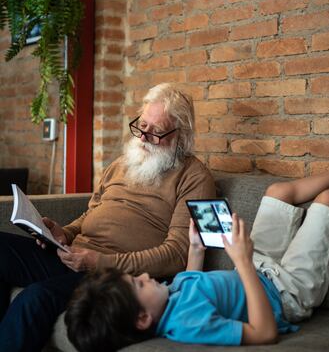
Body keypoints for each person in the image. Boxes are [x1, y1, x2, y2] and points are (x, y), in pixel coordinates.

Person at [65, 130, 329, 351]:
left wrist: (197, 250)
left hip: (259, 270)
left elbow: (191, 278)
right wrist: (243, 261)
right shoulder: (188, 323)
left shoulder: (168, 301)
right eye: (139, 283)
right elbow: (263, 333)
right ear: (143, 319)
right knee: (327, 202)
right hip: (288, 291)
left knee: (278, 191)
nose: (146, 277)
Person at [0, 83, 216, 352]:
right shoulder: (123, 163)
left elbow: (177, 254)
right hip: (74, 255)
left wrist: (99, 261)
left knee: (36, 298)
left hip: (117, 276)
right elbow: (92, 212)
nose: (144, 136)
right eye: (142, 125)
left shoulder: (195, 177)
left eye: (156, 132)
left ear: (180, 136)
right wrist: (64, 233)